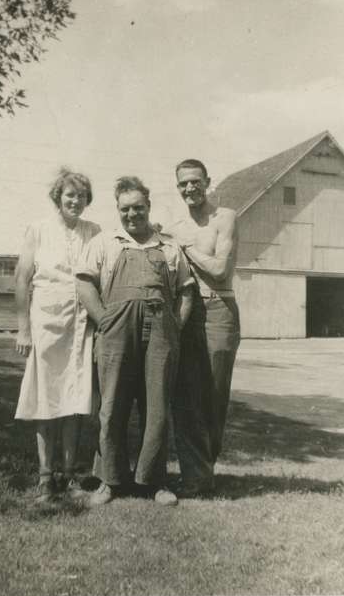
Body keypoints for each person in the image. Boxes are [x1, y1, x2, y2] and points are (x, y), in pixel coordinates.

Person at [75, 176, 194, 506]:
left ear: (148, 207)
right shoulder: (104, 243)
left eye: (138, 208)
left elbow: (186, 291)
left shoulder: (168, 247)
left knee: (156, 407)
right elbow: (85, 283)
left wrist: (175, 327)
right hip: (115, 331)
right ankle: (109, 481)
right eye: (125, 209)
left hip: (160, 333)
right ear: (118, 210)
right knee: (112, 405)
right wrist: (105, 320)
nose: (132, 215)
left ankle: (153, 482)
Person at [14, 168, 100, 503]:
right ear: (58, 197)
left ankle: (70, 475)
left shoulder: (94, 232)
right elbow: (22, 279)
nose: (75, 201)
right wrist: (23, 328)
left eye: (81, 195)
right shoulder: (38, 230)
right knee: (45, 399)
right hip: (46, 324)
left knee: (74, 400)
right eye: (69, 195)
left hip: (80, 325)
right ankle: (45, 477)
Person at [168, 158, 240, 496]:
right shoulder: (176, 226)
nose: (189, 188)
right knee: (184, 394)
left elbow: (221, 270)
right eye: (183, 183)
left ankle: (204, 470)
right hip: (188, 309)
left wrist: (186, 249)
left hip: (220, 308)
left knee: (213, 395)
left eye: (195, 181)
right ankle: (193, 474)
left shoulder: (225, 218)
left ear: (207, 181)